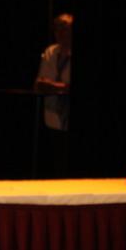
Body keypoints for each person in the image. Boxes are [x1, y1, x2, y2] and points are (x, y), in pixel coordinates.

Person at [34, 13, 72, 176]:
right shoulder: (50, 52)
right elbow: (39, 83)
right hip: (52, 116)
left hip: (69, 115)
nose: (60, 33)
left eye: (65, 29)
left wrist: (53, 85)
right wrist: (58, 86)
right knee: (55, 162)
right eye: (57, 29)